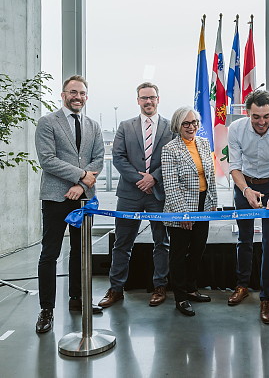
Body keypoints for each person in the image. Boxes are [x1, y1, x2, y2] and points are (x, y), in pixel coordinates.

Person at [34, 75, 105, 333]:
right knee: (49, 254)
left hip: (83, 197)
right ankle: (46, 310)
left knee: (81, 252)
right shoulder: (47, 123)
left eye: (82, 93)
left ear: (86, 96)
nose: (78, 97)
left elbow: (98, 159)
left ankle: (77, 300)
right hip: (55, 197)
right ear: (63, 95)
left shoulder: (94, 126)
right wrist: (79, 175)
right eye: (73, 92)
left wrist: (81, 184)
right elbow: (47, 160)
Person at [98, 82, 172, 308]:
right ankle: (116, 288)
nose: (148, 102)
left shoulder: (170, 128)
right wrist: (140, 179)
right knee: (122, 242)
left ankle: (160, 286)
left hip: (158, 193)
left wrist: (154, 178)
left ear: (158, 99)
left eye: (152, 97)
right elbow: (118, 157)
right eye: (143, 98)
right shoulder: (125, 126)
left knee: (162, 242)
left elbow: (172, 157)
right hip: (130, 193)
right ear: (138, 100)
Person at [227, 90, 269, 324]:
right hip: (244, 184)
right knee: (244, 239)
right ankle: (242, 285)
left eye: (266, 116)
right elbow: (234, 166)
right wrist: (246, 190)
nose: (261, 122)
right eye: (256, 116)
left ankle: (266, 297)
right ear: (247, 113)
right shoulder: (236, 129)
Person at [161, 107, 218, 317]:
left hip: (203, 205)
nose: (192, 127)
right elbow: (171, 185)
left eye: (195, 122)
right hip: (181, 207)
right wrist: (183, 214)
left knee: (197, 250)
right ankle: (180, 297)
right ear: (178, 125)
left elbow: (210, 177)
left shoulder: (203, 143)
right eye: (186, 123)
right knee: (178, 254)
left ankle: (192, 289)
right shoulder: (170, 149)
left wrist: (213, 202)